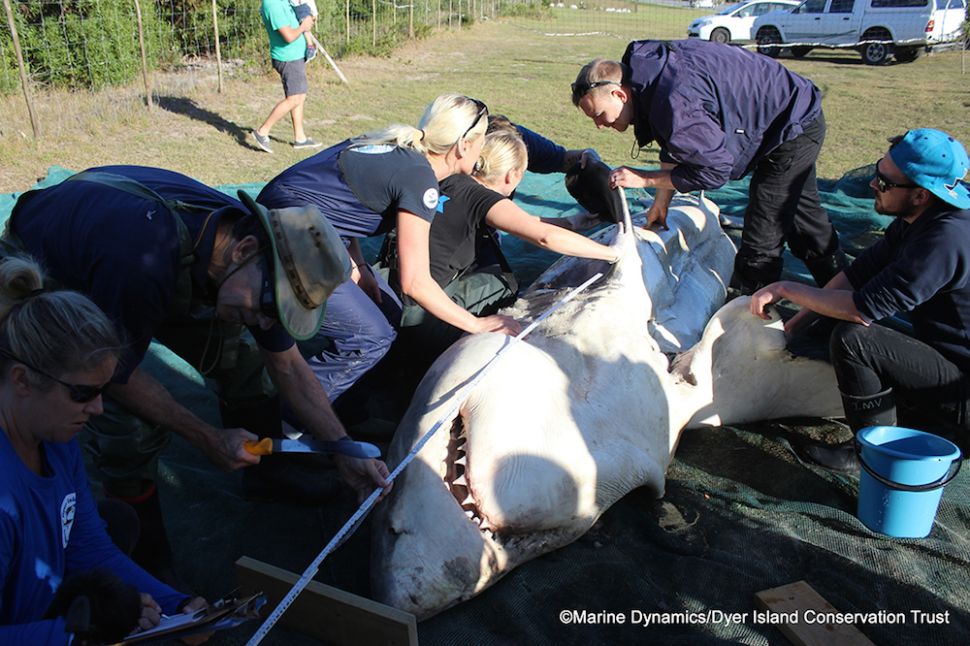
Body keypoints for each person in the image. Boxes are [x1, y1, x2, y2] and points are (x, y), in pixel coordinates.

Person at [6, 165, 390, 582]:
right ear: (242, 249)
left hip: (152, 260)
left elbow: (287, 365)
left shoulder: (265, 261)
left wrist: (342, 448)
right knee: (123, 421)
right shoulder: (139, 258)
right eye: (266, 308)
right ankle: (144, 556)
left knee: (245, 361)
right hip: (53, 264)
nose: (266, 322)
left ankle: (267, 475)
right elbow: (119, 375)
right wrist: (207, 438)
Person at [257, 94, 521, 404]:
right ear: (463, 145)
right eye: (480, 141)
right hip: (291, 232)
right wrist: (475, 323)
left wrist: (362, 268)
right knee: (370, 337)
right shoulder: (421, 179)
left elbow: (342, 208)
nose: (481, 151)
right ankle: (289, 423)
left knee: (388, 309)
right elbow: (416, 281)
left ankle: (352, 402)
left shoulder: (397, 149)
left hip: (289, 219)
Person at [0, 255, 208, 644]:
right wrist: (77, 635)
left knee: (117, 520)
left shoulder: (53, 439)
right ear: (22, 380)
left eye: (103, 391)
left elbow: (85, 544)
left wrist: (176, 606)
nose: (97, 408)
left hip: (32, 610)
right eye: (82, 393)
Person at [750, 129, 970, 472]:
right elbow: (858, 273)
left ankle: (869, 453)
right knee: (835, 318)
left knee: (855, 339)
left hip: (961, 393)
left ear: (921, 195)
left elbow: (859, 309)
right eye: (875, 173)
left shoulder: (943, 242)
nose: (872, 185)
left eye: (884, 183)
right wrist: (794, 326)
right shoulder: (922, 219)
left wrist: (784, 289)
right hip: (949, 359)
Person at [572, 39, 846, 295]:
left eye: (598, 114)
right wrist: (661, 201)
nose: (599, 125)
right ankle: (839, 294)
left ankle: (751, 321)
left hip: (789, 126)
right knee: (804, 217)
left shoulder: (673, 100)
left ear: (620, 94)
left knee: (763, 234)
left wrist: (644, 179)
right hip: (783, 114)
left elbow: (714, 171)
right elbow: (673, 140)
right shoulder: (650, 74)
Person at [388, 124, 620, 364]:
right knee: (501, 284)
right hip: (419, 311)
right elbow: (545, 237)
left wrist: (572, 222)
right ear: (513, 175)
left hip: (388, 289)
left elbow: (520, 221)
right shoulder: (482, 198)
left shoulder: (451, 179)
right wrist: (611, 252)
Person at [252, 0, 322, 153]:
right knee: (294, 98)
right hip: (287, 58)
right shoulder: (272, 5)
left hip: (295, 56)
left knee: (299, 96)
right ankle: (262, 132)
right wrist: (304, 26)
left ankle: (300, 138)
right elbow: (288, 36)